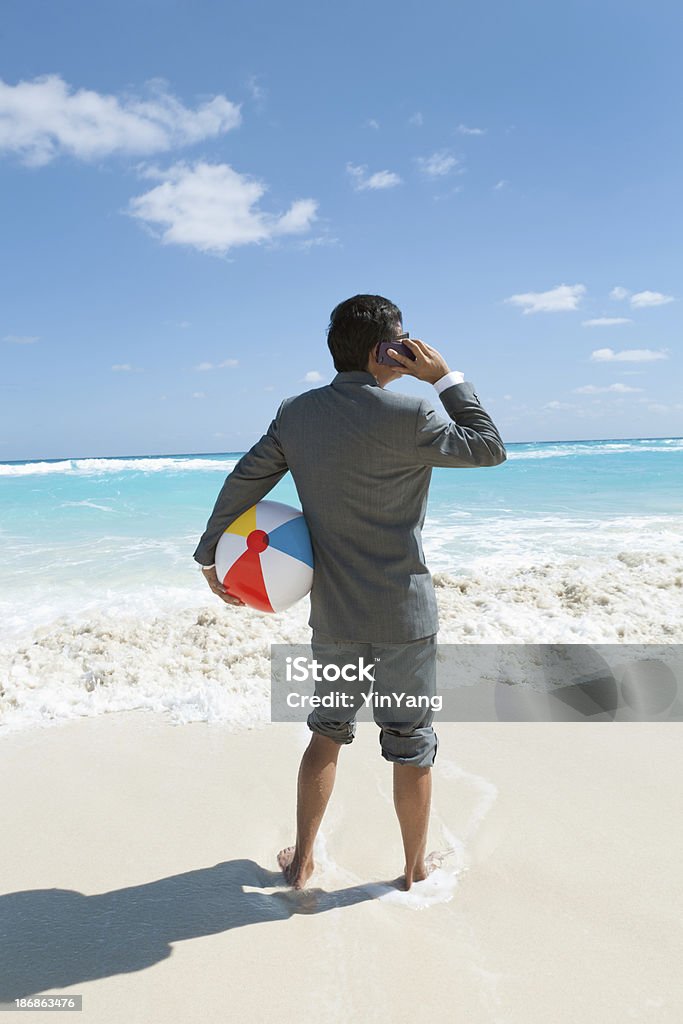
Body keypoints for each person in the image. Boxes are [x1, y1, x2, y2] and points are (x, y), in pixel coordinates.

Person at [193, 294, 507, 890]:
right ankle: (413, 870)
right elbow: (488, 447)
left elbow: (246, 479)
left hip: (336, 616)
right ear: (384, 348)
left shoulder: (298, 414)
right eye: (401, 337)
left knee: (326, 732)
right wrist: (444, 378)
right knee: (412, 742)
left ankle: (303, 861)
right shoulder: (413, 414)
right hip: (406, 618)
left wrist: (211, 551)